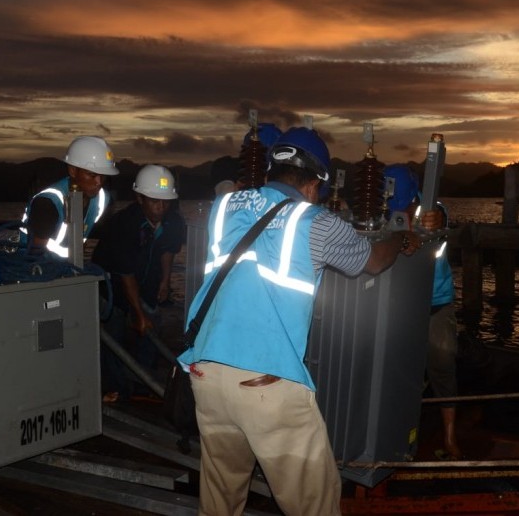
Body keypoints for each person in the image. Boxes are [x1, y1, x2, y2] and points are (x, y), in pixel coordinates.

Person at [178, 127, 420, 515]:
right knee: (315, 505)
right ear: (315, 184)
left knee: (221, 501)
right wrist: (400, 239)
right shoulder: (315, 221)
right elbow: (372, 262)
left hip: (205, 372)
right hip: (266, 384)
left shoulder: (224, 207)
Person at [384, 164, 463, 461]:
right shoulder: (383, 209)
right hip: (402, 310)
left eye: (405, 202)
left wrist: (438, 217)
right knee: (402, 375)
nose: (401, 208)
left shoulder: (432, 209)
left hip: (437, 305)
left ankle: (450, 437)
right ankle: (398, 436)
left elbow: (441, 216)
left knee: (443, 368)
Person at [91, 165, 186, 402]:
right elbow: (126, 273)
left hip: (147, 282)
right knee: (112, 335)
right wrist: (137, 312)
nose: (161, 208)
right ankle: (115, 389)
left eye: (166, 202)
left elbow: (168, 250)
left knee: (152, 328)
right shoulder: (123, 224)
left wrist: (165, 280)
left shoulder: (173, 221)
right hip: (112, 285)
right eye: (155, 201)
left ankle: (144, 383)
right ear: (140, 198)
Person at [19, 135, 118, 257]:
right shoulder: (48, 203)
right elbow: (34, 256)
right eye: (92, 175)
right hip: (34, 269)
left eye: (103, 176)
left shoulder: (103, 199)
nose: (99, 182)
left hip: (70, 268)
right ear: (72, 171)